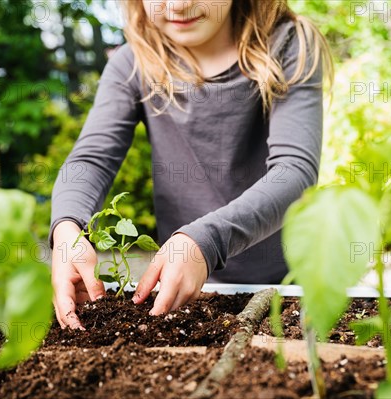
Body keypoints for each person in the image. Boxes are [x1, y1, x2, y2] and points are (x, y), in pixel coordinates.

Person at [50, 0, 333, 329]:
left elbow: (294, 173)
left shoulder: (288, 44)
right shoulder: (135, 61)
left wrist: (207, 240)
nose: (178, 5)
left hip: (287, 291)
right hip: (182, 297)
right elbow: (92, 159)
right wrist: (67, 231)